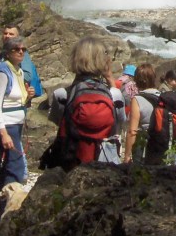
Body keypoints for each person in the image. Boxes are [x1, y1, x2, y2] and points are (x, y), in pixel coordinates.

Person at [47, 37, 126, 167]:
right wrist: (110, 77)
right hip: (106, 162)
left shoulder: (61, 95)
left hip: (72, 159)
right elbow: (120, 123)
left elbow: (59, 122)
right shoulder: (115, 95)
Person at [0, 36, 36, 218]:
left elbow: (16, 100)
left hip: (15, 124)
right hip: (5, 126)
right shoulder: (2, 73)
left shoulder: (18, 72)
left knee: (6, 163)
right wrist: (3, 133)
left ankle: (1, 208)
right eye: (17, 49)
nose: (21, 52)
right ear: (7, 53)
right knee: (14, 166)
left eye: (23, 49)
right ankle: (10, 210)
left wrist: (28, 96)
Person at [122, 64, 161, 164]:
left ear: (137, 80)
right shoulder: (162, 96)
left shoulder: (137, 99)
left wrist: (126, 156)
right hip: (159, 145)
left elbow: (132, 131)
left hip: (143, 146)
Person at [1, 25, 43, 97]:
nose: (7, 36)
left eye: (11, 34)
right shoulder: (2, 54)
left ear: (17, 37)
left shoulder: (21, 53)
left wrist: (6, 76)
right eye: (5, 33)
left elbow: (28, 76)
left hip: (19, 96)